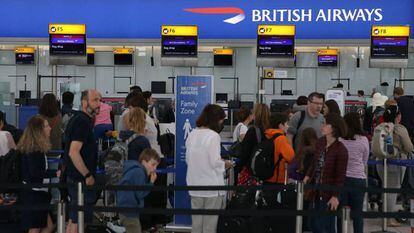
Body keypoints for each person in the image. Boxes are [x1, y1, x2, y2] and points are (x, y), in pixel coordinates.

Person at [186, 104, 233, 233]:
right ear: (215, 119)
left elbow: (188, 159)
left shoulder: (192, 134)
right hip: (211, 187)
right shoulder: (213, 136)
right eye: (221, 120)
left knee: (196, 226)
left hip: (194, 186)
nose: (222, 123)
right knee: (209, 227)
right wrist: (226, 164)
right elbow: (215, 162)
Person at [64, 89, 101, 233]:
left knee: (78, 220)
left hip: (77, 179)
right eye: (95, 100)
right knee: (77, 221)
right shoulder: (82, 122)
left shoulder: (81, 119)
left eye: (100, 100)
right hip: (80, 180)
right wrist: (87, 175)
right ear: (84, 103)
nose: (99, 104)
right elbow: (73, 152)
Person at [304, 113, 348, 233]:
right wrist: (307, 176)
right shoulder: (321, 142)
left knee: (326, 225)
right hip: (315, 190)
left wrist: (335, 196)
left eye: (325, 123)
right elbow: (314, 162)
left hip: (328, 193)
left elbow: (340, 176)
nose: (322, 125)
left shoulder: (341, 150)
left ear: (333, 128)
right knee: (312, 223)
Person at [374, 105, 413, 227]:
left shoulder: (381, 127)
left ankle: (385, 217)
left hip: (380, 161)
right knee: (392, 190)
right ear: (397, 116)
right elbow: (408, 147)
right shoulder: (399, 129)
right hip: (395, 163)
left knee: (386, 189)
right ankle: (388, 219)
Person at [18, 115, 54, 233]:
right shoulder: (35, 150)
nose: (50, 128)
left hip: (34, 193)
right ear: (39, 130)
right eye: (46, 126)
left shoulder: (33, 148)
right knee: (36, 227)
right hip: (35, 194)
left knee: (48, 225)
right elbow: (37, 174)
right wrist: (54, 174)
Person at [337, 112, 370, 233]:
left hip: (342, 179)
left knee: (341, 213)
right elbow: (365, 160)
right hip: (358, 179)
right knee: (357, 214)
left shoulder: (339, 140)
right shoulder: (364, 140)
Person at [117, 148, 160, 233]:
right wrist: (151, 183)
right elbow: (140, 193)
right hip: (129, 211)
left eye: (156, 166)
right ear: (144, 162)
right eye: (153, 165)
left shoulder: (136, 169)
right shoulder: (139, 172)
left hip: (126, 209)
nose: (154, 169)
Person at [262, 113, 295, 205]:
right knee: (275, 206)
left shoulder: (266, 135)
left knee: (267, 204)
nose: (287, 126)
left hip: (265, 175)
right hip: (277, 178)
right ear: (280, 125)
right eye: (286, 123)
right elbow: (291, 157)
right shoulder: (281, 139)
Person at [238, 103, 271, 185]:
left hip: (254, 171)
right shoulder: (272, 131)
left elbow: (245, 153)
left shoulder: (253, 131)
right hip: (270, 171)